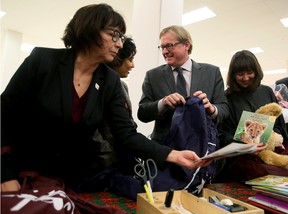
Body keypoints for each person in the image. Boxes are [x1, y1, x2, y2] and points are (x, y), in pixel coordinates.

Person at [1, 4, 207, 193]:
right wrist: (5, 174)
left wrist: (173, 154)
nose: (119, 44)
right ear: (89, 29)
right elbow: (5, 115)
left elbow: (126, 135)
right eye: (114, 35)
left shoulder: (109, 81)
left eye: (121, 38)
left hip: (73, 180)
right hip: (23, 173)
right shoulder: (42, 62)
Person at [137, 25, 229, 145]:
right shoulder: (153, 75)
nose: (165, 51)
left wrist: (211, 109)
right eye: (162, 47)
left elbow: (224, 108)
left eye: (169, 46)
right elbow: (142, 113)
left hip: (202, 146)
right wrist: (162, 103)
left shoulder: (211, 72)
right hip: (165, 149)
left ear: (186, 45)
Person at [215, 50, 288, 183]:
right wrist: (244, 145)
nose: (246, 78)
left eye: (250, 73)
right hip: (241, 158)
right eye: (240, 74)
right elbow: (222, 134)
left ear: (257, 72)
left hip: (271, 150)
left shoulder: (266, 92)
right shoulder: (227, 97)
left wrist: (274, 138)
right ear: (233, 75)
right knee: (263, 175)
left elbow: (279, 125)